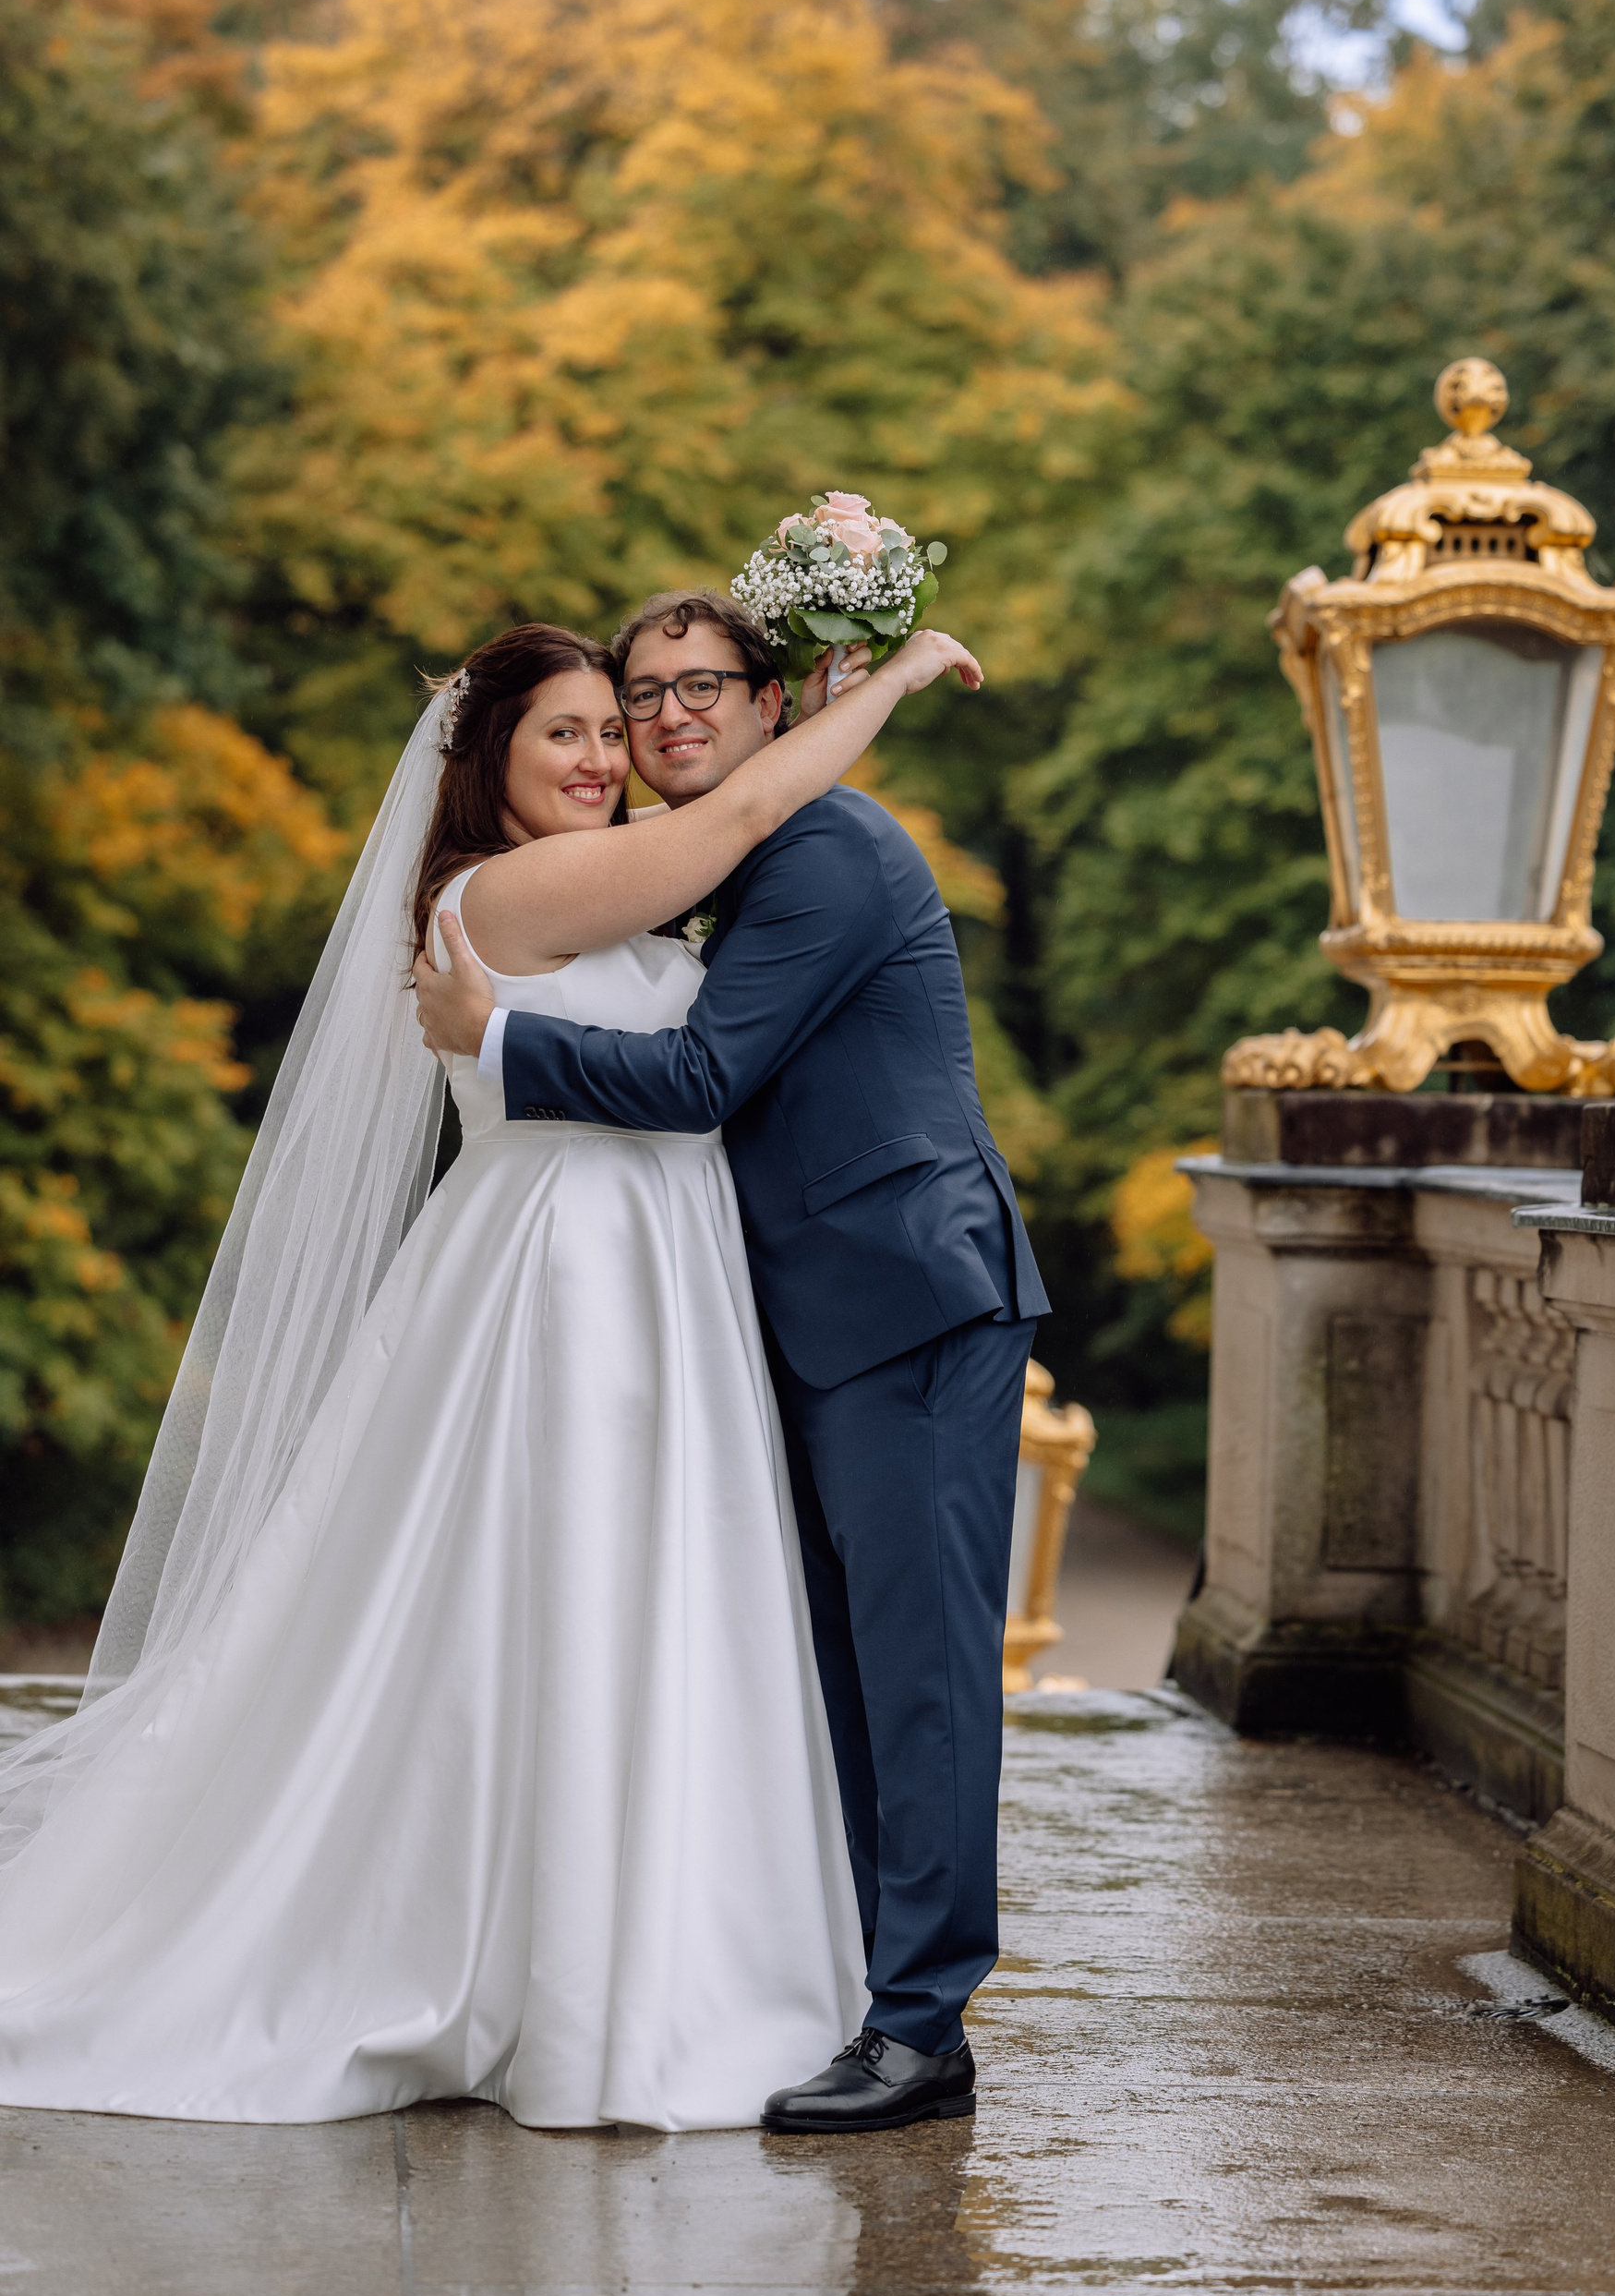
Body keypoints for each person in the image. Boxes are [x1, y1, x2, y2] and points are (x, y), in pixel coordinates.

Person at [0, 617, 965, 2129]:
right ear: (488, 761)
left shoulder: (607, 880)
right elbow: (742, 817)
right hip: (573, 1274)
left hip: (656, 1271)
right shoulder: (507, 892)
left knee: (630, 1602)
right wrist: (889, 682)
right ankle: (575, 1980)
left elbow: (735, 850)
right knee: (570, 1600)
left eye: (614, 730)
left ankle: (644, 1946)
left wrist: (804, 692)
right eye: (567, 732)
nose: (603, 755)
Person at [415, 591, 1049, 2136]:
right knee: (845, 1682)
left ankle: (923, 2032)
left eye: (704, 685)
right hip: (804, 1318)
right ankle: (871, 1995)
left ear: (775, 703)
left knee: (922, 1682)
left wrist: (497, 1042)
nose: (667, 716)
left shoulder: (823, 850)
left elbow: (704, 1076)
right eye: (642, 696)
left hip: (907, 1300)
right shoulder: (707, 862)